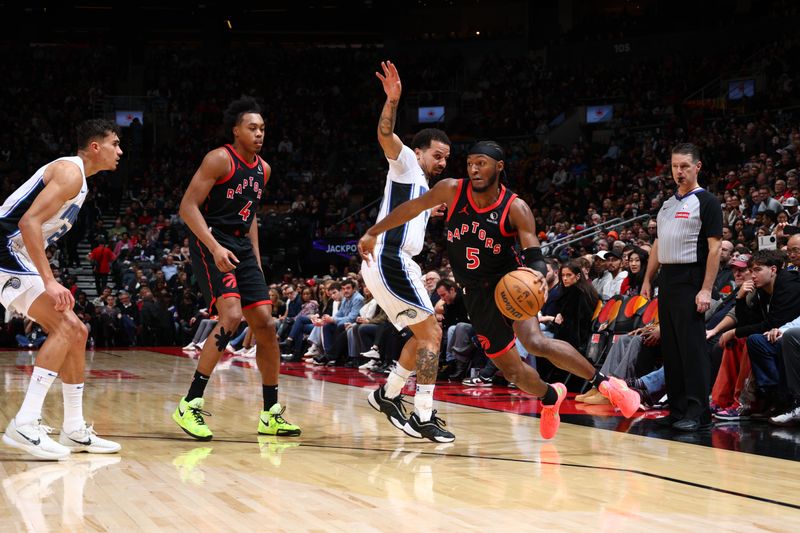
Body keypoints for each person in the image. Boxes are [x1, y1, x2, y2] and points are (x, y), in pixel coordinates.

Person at [359, 140, 640, 440]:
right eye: (470, 163)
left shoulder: (516, 207)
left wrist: (539, 274)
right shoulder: (451, 189)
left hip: (510, 286)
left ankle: (607, 384)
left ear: (499, 167)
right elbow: (412, 207)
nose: (474, 169)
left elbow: (535, 256)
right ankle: (549, 399)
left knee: (535, 342)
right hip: (476, 297)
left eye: (482, 163)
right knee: (513, 372)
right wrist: (374, 232)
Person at [172, 97, 300, 441]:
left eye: (262, 129)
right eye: (252, 128)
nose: (259, 134)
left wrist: (255, 259)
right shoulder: (219, 158)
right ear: (236, 130)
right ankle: (190, 403)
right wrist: (214, 247)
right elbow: (187, 206)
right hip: (210, 238)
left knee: (265, 323)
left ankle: (270, 413)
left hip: (241, 245)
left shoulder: (264, 169)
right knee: (230, 316)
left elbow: (251, 213)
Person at [1, 119, 122, 460]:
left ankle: (73, 428)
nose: (120, 151)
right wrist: (50, 280)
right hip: (5, 250)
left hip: (14, 251)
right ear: (95, 147)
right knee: (66, 327)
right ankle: (25, 422)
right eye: (115, 143)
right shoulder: (71, 173)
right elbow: (28, 223)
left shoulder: (79, 179)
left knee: (78, 331)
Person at [358, 61, 455, 442]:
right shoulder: (406, 165)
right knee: (431, 334)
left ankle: (389, 393)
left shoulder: (425, 189)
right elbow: (385, 133)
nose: (442, 162)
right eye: (437, 155)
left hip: (400, 263)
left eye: (446, 158)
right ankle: (422, 414)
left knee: (428, 333)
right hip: (389, 259)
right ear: (418, 152)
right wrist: (392, 101)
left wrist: (432, 208)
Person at [641, 143, 723, 432]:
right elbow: (658, 244)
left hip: (692, 278)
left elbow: (715, 250)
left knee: (692, 350)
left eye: (685, 166)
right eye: (675, 166)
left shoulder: (707, 201)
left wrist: (705, 289)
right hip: (668, 279)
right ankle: (676, 410)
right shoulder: (666, 205)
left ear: (697, 167)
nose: (679, 171)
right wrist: (648, 279)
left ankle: (699, 413)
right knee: (672, 349)